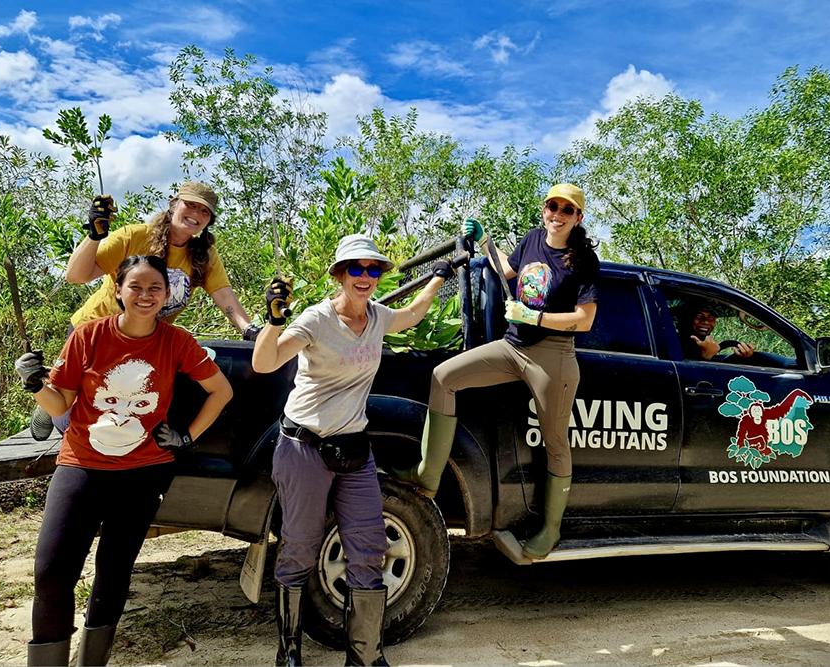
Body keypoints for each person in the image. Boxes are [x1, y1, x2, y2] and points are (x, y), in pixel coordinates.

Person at [14, 255, 234, 666]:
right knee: (52, 571)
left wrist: (187, 436)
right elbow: (60, 401)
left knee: (113, 573)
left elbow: (221, 391)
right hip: (81, 464)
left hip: (143, 474)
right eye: (136, 286)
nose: (145, 295)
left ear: (166, 295)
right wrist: (34, 385)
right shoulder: (89, 336)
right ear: (118, 290)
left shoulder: (177, 342)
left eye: (155, 288)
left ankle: (92, 661)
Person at [252, 234, 454, 666]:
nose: (366, 277)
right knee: (300, 546)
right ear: (340, 275)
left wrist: (439, 275)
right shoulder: (315, 319)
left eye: (374, 269)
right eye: (356, 269)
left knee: (369, 546)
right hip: (303, 447)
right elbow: (265, 363)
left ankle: (365, 655)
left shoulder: (378, 316)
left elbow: (414, 314)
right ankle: (288, 652)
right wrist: (272, 320)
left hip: (353, 450)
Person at [394, 183, 600, 560]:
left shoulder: (582, 261)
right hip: (512, 346)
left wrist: (536, 316)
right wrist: (486, 240)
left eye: (566, 210)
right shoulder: (534, 239)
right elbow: (506, 269)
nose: (557, 214)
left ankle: (550, 531)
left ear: (578, 217)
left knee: (555, 442)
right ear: (545, 209)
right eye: (552, 206)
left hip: (552, 356)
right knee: (444, 376)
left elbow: (584, 321)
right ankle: (428, 475)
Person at [31, 182, 255, 440]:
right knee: (75, 411)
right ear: (174, 204)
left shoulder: (203, 255)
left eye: (205, 211)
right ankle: (50, 405)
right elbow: (76, 275)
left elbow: (223, 294)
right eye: (190, 205)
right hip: (94, 333)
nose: (196, 213)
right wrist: (94, 235)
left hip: (145, 341)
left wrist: (250, 330)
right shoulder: (134, 237)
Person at [679, 302, 755, 361]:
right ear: (688, 319)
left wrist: (742, 355)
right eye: (699, 316)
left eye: (711, 317)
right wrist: (706, 356)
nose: (706, 321)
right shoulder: (677, 343)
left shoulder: (697, 344)